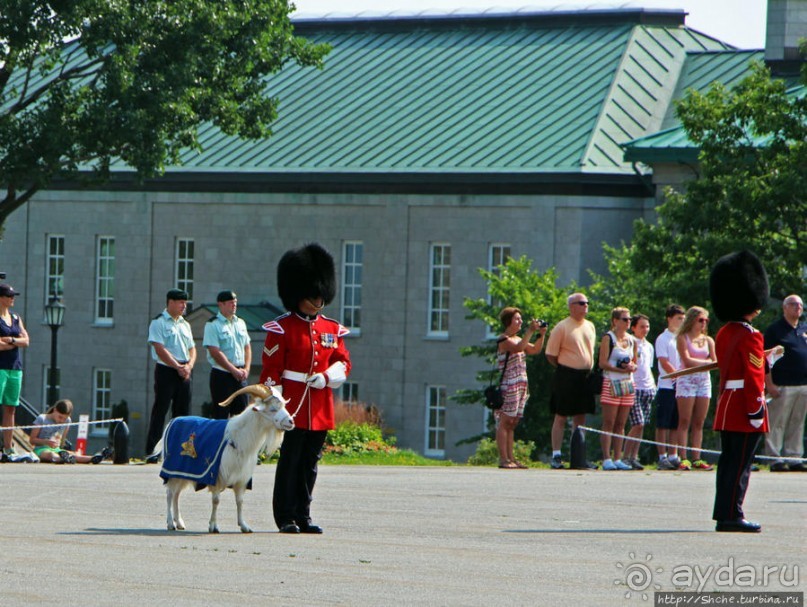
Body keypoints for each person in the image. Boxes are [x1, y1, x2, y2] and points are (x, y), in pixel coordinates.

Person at [260, 243, 351, 534]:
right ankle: (285, 515)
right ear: (297, 295)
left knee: (310, 464)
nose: (318, 301)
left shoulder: (331, 328)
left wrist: (327, 377)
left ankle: (303, 513)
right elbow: (271, 373)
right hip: (292, 403)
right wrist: (274, 405)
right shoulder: (281, 328)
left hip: (320, 404)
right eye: (312, 296)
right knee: (291, 460)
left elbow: (343, 362)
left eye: (320, 295)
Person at [709, 250, 769, 532]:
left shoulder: (724, 332)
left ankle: (725, 512)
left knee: (729, 463)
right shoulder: (751, 335)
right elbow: (754, 376)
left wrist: (768, 359)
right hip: (744, 407)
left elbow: (738, 367)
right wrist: (756, 409)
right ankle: (733, 514)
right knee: (740, 466)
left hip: (728, 404)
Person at [545, 293, 597, 470]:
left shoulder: (590, 326)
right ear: (571, 306)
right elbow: (550, 354)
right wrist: (565, 366)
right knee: (561, 415)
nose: (585, 306)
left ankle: (579, 454)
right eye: (581, 303)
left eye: (587, 303)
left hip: (585, 376)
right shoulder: (562, 326)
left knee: (581, 415)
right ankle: (556, 455)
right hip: (566, 374)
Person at [144, 289, 196, 460]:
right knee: (161, 410)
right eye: (181, 302)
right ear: (171, 302)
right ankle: (153, 451)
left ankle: (180, 450)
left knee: (183, 413)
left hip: (184, 371)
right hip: (166, 370)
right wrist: (177, 366)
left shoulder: (184, 324)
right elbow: (160, 349)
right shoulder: (158, 322)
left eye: (185, 303)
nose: (184, 306)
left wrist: (188, 366)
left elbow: (192, 349)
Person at [494, 307, 547, 469]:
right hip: (509, 384)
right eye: (517, 319)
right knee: (504, 421)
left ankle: (511, 458)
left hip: (521, 384)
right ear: (508, 321)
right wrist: (530, 331)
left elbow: (534, 349)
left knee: (513, 422)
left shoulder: (519, 338)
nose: (520, 322)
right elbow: (518, 348)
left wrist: (541, 334)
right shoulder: (504, 339)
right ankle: (503, 459)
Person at [763, 295, 807, 472]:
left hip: (802, 384)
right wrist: (769, 384)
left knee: (797, 422)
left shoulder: (803, 329)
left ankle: (794, 456)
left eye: (800, 305)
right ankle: (775, 458)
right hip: (782, 384)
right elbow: (765, 359)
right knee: (777, 422)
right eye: (793, 304)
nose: (797, 307)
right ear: (785, 308)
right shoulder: (775, 330)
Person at [675, 306, 717, 471]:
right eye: (700, 320)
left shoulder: (708, 340)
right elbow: (687, 360)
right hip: (687, 378)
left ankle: (697, 457)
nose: (703, 323)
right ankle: (683, 457)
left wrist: (708, 364)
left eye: (706, 320)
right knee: (684, 420)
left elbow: (716, 361)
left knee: (699, 421)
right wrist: (706, 363)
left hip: (703, 380)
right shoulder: (682, 337)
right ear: (692, 320)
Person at [598, 307, 637, 470]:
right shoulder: (609, 338)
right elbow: (603, 363)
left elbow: (635, 360)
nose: (628, 322)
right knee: (609, 422)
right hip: (611, 382)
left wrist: (632, 366)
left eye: (629, 319)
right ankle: (606, 458)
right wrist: (620, 369)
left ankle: (617, 457)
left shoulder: (632, 340)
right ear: (615, 321)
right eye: (624, 319)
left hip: (627, 383)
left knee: (621, 423)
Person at [203, 290, 252, 419]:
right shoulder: (213, 324)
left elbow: (247, 347)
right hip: (222, 375)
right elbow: (215, 351)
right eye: (230, 303)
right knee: (221, 415)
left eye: (235, 302)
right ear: (221, 304)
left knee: (242, 415)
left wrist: (246, 369)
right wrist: (232, 370)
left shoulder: (240, 323)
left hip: (240, 375)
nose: (234, 305)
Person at [30, 399, 111, 464]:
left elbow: (62, 441)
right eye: (60, 417)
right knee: (51, 455)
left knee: (76, 455)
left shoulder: (68, 421)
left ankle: (95, 458)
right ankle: (63, 458)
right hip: (41, 449)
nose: (61, 421)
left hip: (57, 449)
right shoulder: (42, 418)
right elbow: (32, 440)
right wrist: (47, 442)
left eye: (64, 418)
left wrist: (62, 447)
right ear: (54, 410)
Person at [0, 283, 29, 461]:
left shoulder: (16, 318)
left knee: (11, 408)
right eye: (9, 296)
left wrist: (10, 340)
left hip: (14, 367)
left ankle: (8, 447)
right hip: (0, 367)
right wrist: (15, 342)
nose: (12, 298)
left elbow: (25, 340)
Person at [653, 304, 685, 469]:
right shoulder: (662, 338)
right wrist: (676, 377)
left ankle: (674, 454)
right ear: (669, 318)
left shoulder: (682, 338)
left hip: (681, 387)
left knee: (676, 422)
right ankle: (662, 456)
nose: (681, 321)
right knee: (663, 423)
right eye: (678, 318)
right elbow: (664, 361)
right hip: (667, 385)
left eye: (683, 318)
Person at [623, 313, 656, 470]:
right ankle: (625, 456)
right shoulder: (630, 342)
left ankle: (633, 456)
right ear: (634, 327)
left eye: (647, 326)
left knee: (642, 426)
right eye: (642, 326)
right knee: (638, 423)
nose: (645, 329)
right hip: (634, 388)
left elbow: (647, 368)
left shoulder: (649, 346)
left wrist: (652, 386)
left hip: (648, 388)